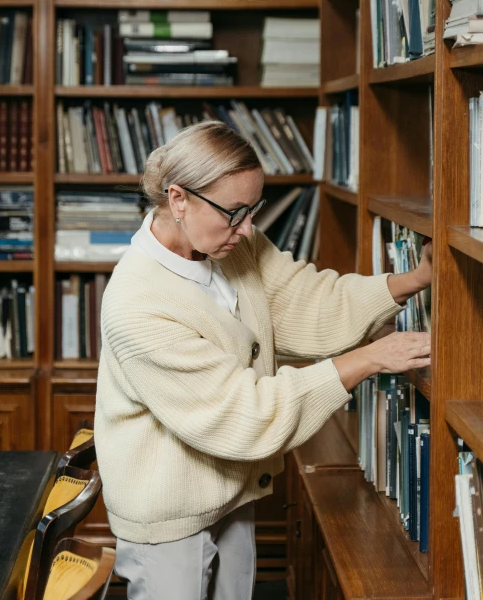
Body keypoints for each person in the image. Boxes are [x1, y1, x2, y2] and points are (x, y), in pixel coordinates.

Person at [95, 121, 431, 600]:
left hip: (232, 488)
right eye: (234, 212)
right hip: (168, 514)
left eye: (253, 210)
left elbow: (307, 300)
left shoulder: (231, 245)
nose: (248, 229)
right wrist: (368, 360)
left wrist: (412, 280)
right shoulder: (137, 305)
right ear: (178, 199)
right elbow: (242, 415)